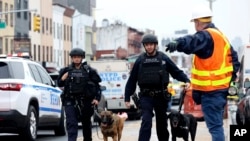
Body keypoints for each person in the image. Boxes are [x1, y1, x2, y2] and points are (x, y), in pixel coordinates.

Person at [165, 5, 240, 141]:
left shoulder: (206, 36)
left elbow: (192, 41)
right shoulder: (220, 36)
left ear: (198, 22)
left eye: (194, 22)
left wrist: (178, 43)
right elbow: (235, 62)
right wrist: (227, 82)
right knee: (217, 126)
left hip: (211, 92)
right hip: (218, 91)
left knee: (215, 127)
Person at [124, 33, 191, 141]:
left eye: (151, 44)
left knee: (162, 123)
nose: (149, 47)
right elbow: (132, 80)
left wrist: (186, 80)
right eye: (147, 45)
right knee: (146, 121)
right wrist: (127, 97)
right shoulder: (140, 60)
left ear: (155, 45)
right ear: (144, 46)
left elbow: (176, 72)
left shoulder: (163, 58)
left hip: (161, 96)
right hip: (146, 96)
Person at [58, 48, 102, 141]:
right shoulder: (66, 70)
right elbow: (59, 83)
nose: (76, 59)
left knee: (86, 124)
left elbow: (97, 86)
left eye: (78, 57)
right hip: (70, 100)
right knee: (71, 123)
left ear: (82, 58)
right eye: (74, 57)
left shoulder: (89, 71)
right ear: (72, 58)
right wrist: (63, 78)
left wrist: (96, 99)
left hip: (85, 101)